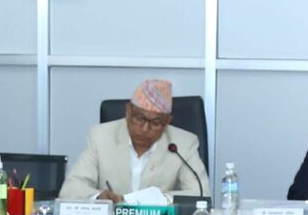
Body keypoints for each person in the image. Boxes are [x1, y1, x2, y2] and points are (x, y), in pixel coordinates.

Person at [60, 78, 207, 202]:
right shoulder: (101, 136)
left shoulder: (183, 144)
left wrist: (157, 200)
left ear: (167, 122)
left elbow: (202, 194)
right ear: (128, 111)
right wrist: (98, 197)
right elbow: (70, 189)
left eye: (155, 123)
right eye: (139, 118)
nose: (145, 128)